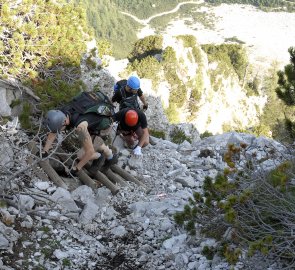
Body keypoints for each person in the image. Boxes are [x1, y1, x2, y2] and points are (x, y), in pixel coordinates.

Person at [43, 105, 118, 175]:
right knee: (90, 143)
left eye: (59, 128)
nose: (58, 131)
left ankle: (102, 156)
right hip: (91, 120)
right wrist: (45, 151)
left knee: (81, 156)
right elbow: (54, 131)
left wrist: (76, 168)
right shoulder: (61, 113)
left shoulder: (80, 128)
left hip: (103, 125)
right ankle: (109, 155)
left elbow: (90, 151)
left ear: (65, 122)